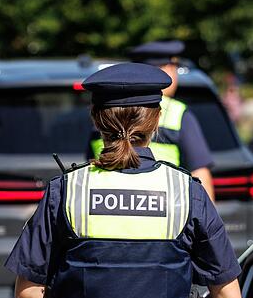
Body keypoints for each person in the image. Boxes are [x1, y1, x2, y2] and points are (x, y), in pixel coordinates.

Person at [8, 63, 243, 298]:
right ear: (156, 120)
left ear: (95, 119)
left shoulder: (68, 191)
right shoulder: (188, 193)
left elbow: (27, 292)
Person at [88, 40, 216, 200]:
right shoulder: (178, 112)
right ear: (167, 70)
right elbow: (200, 174)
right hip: (167, 205)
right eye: (174, 67)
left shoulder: (106, 109)